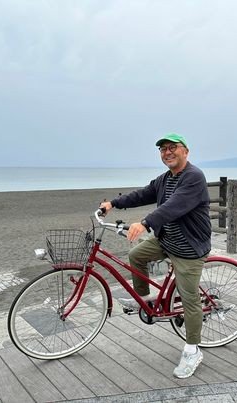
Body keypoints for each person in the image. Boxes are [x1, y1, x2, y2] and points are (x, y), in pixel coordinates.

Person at [100, 133, 211, 379]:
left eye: (173, 148)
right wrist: (114, 204)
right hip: (166, 240)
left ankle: (193, 350)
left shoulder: (194, 177)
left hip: (189, 248)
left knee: (190, 298)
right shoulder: (164, 179)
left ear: (186, 151)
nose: (167, 152)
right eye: (163, 150)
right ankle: (145, 299)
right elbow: (143, 194)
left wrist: (145, 222)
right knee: (137, 254)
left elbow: (174, 206)